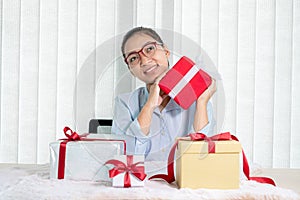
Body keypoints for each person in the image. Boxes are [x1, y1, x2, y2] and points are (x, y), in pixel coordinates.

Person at [112, 27, 216, 161]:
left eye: (149, 49)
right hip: (143, 180)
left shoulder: (198, 98)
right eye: (133, 58)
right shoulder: (124, 103)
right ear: (131, 70)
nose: (144, 61)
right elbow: (127, 160)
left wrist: (202, 103)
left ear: (166, 51)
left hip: (183, 180)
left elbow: (200, 158)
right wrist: (149, 106)